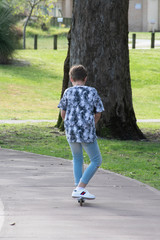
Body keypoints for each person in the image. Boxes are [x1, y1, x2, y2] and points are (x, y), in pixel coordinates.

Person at [58, 65, 104, 199]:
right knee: (96, 160)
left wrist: (70, 124)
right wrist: (92, 123)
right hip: (87, 131)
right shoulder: (92, 91)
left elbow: (63, 113)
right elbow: (99, 112)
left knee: (77, 158)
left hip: (71, 131)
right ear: (85, 78)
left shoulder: (67, 92)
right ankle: (80, 188)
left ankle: (79, 190)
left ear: (71, 78)